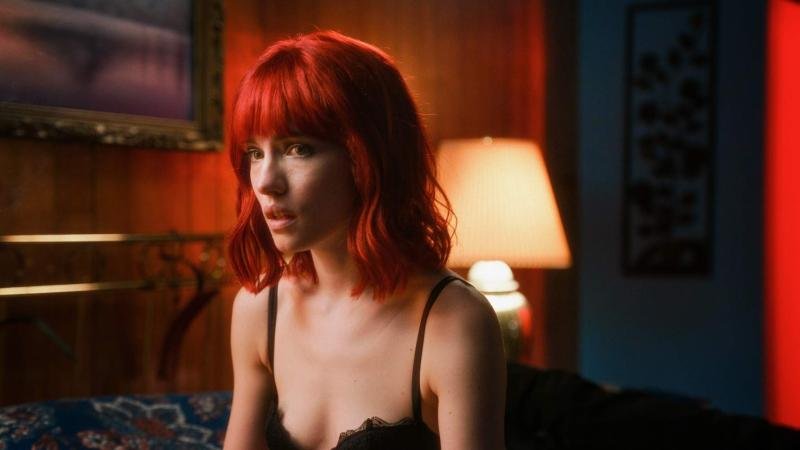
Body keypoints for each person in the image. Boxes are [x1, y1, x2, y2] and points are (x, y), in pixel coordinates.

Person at [223, 30, 506, 450]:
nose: (265, 182)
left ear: (367, 156)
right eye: (255, 152)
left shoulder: (454, 321)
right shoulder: (259, 308)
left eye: (298, 148)